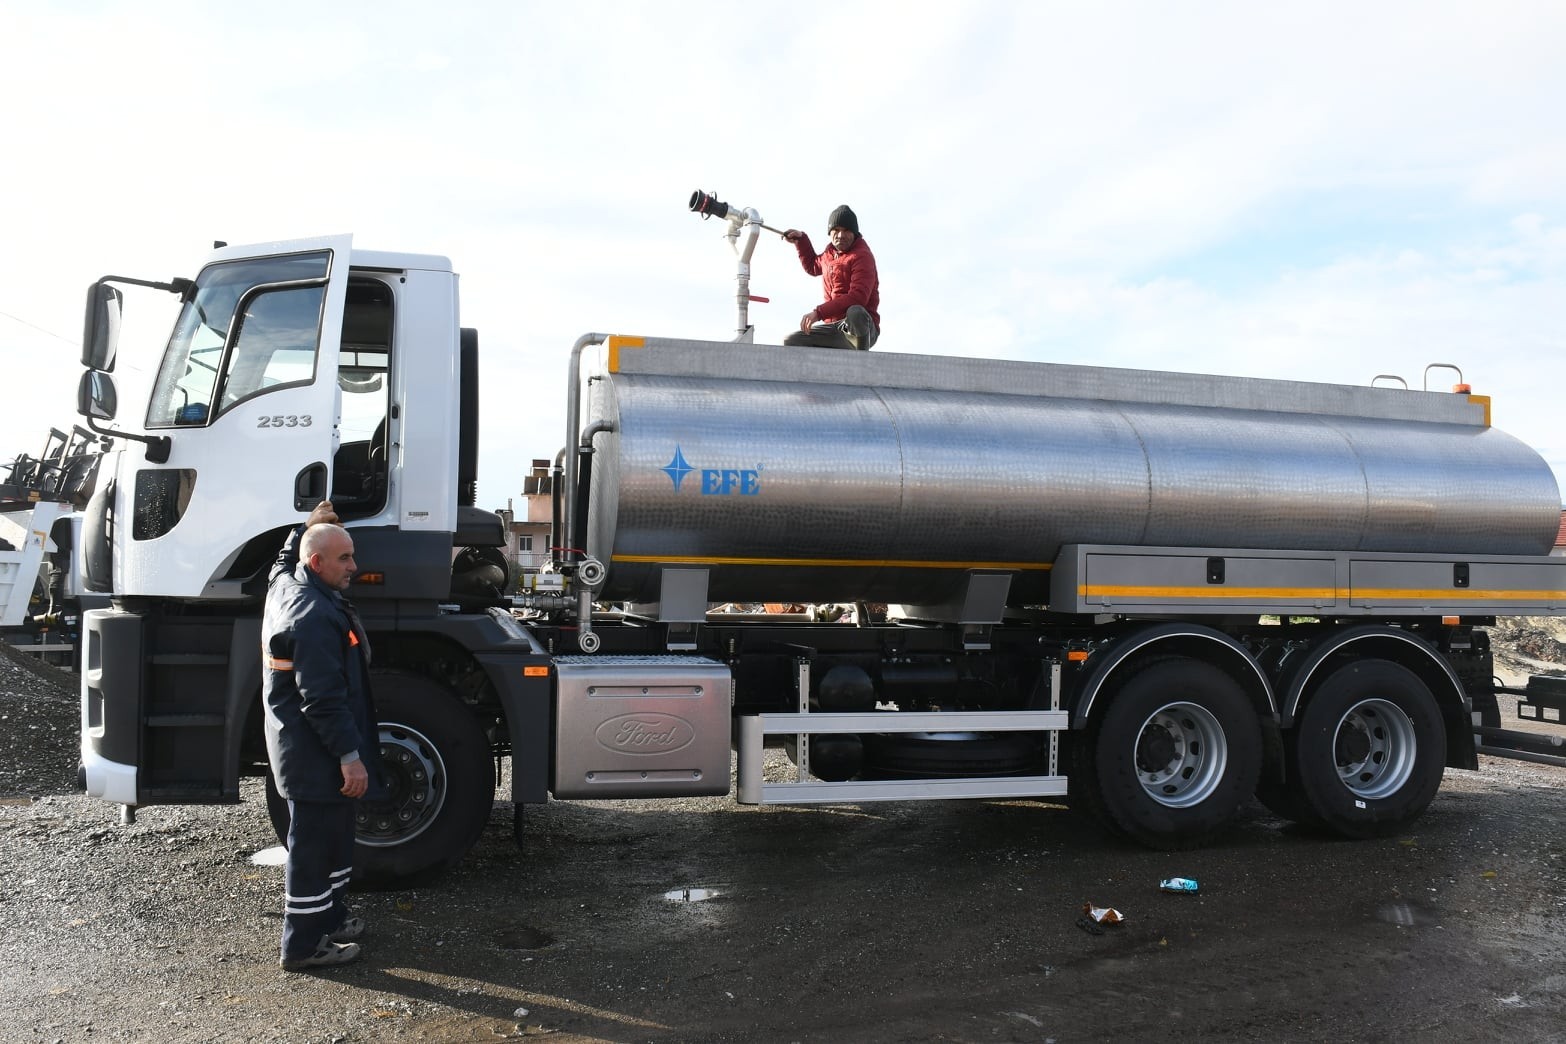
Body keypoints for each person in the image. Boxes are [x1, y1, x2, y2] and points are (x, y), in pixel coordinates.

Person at [263, 500, 381, 972]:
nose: (355, 566)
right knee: (312, 849)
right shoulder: (312, 614)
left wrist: (306, 527)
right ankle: (302, 947)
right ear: (317, 564)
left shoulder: (287, 585)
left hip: (307, 752)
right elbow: (322, 700)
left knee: (331, 842)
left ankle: (329, 920)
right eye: (345, 559)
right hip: (314, 756)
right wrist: (350, 757)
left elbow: (279, 563)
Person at [782, 204, 880, 350]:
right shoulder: (829, 254)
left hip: (861, 329)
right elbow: (812, 266)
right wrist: (801, 240)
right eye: (836, 230)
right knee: (792, 340)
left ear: (854, 233)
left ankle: (860, 356)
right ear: (830, 232)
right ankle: (819, 369)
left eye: (846, 230)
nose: (841, 235)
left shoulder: (862, 256)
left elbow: (858, 297)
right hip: (834, 328)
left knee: (855, 312)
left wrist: (818, 313)